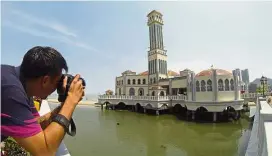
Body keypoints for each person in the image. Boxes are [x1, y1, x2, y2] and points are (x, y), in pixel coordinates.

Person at [1, 46, 85, 156]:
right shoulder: (10, 90)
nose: (57, 87)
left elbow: (36, 124)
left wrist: (63, 105)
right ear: (45, 80)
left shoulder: (22, 85)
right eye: (56, 82)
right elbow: (44, 152)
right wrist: (71, 102)